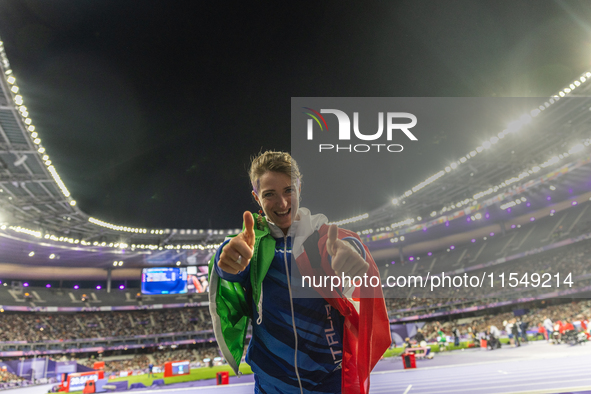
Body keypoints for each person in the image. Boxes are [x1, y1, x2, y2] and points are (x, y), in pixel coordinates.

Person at [208, 151, 390, 394]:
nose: (282, 203)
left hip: (331, 383)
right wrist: (225, 264)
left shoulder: (324, 240)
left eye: (288, 190)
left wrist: (353, 261)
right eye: (269, 194)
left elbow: (348, 251)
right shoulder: (250, 247)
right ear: (256, 198)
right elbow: (228, 273)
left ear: (300, 188)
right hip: (272, 385)